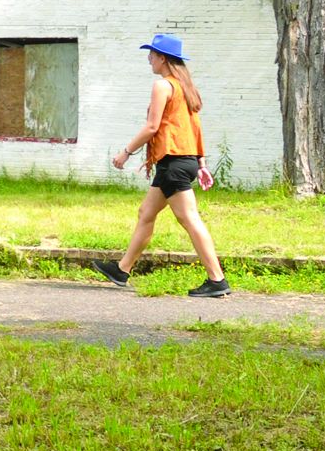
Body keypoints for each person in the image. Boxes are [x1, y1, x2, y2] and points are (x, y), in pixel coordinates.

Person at [92, 32, 230, 297]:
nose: (149, 59)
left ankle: (217, 280)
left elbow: (152, 127)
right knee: (146, 212)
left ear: (163, 58)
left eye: (152, 54)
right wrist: (201, 163)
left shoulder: (163, 86)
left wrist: (126, 152)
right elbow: (195, 128)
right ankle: (122, 270)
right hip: (182, 160)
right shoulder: (185, 87)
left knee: (189, 219)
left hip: (174, 162)